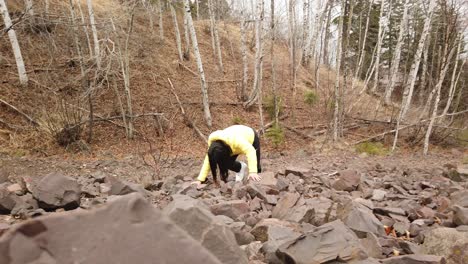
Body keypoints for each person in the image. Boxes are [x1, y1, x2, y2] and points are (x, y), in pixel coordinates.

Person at [192, 125, 262, 188]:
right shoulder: (214, 148)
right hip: (229, 144)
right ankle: (240, 167)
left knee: (256, 168)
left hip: (250, 135)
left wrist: (253, 172)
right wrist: (200, 180)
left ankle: (258, 180)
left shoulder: (237, 141)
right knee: (224, 162)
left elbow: (250, 151)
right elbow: (208, 161)